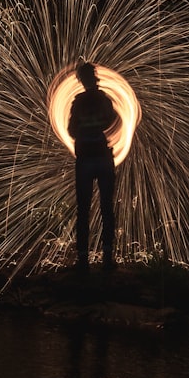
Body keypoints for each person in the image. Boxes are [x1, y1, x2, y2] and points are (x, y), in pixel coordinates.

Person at [67, 62, 118, 272]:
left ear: (81, 80)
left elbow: (70, 130)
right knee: (106, 207)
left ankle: (82, 259)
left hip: (86, 158)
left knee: (83, 209)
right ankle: (107, 256)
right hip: (103, 156)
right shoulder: (104, 99)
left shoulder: (78, 103)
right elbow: (113, 119)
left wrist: (83, 132)